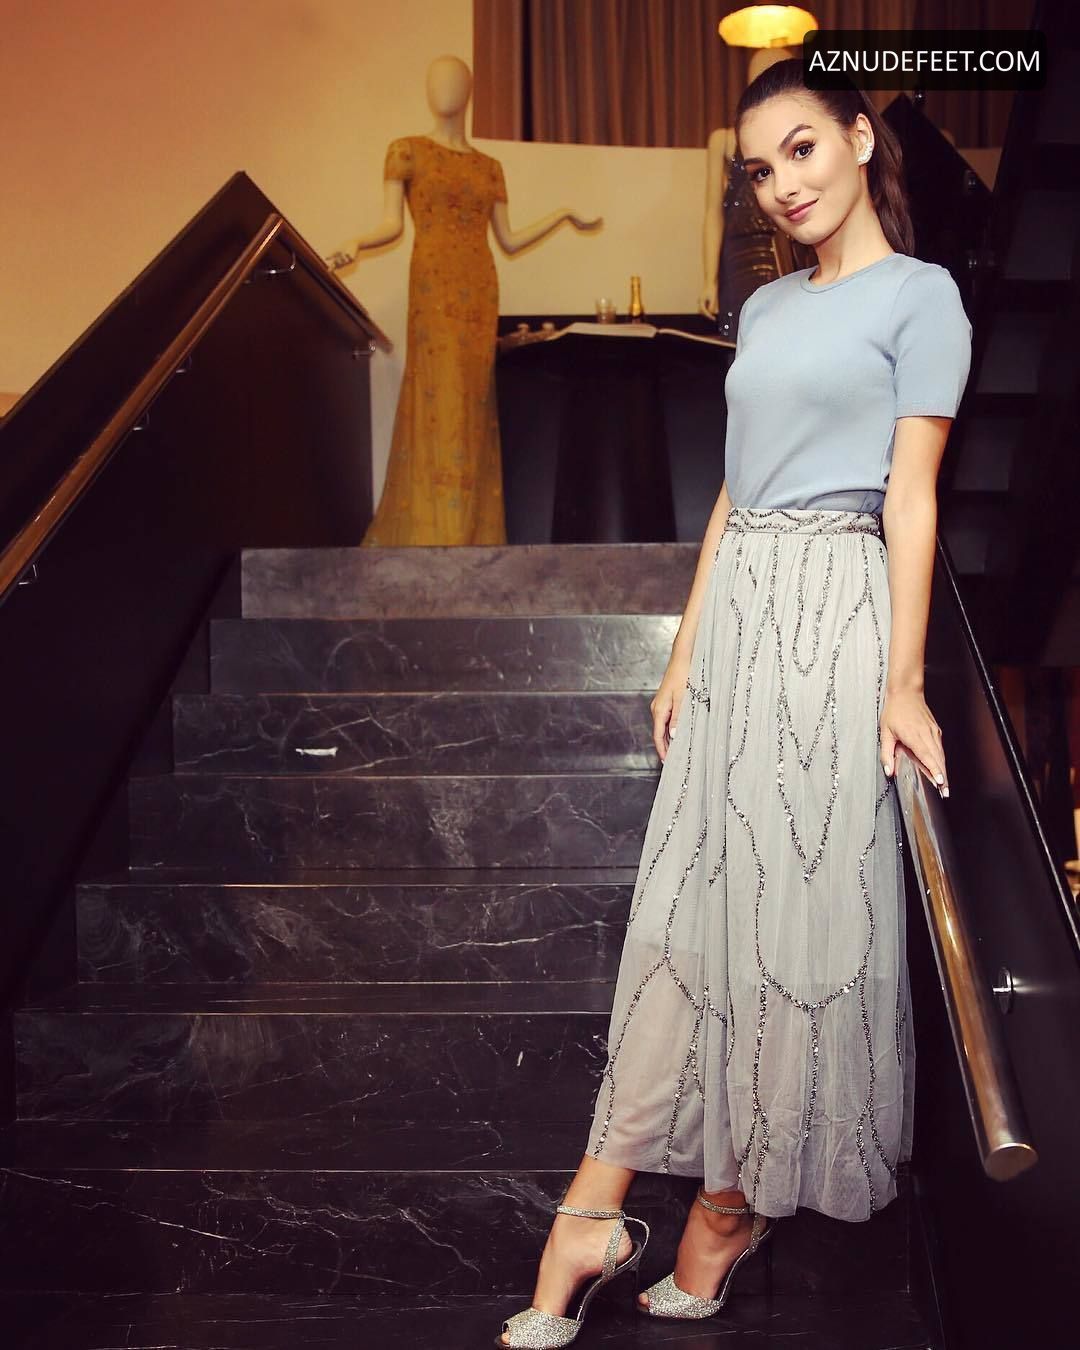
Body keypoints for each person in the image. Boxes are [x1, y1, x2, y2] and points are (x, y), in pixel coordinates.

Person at [497, 58, 972, 1348]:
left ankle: (714, 1212)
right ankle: (615, 1204)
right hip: (743, 611)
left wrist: (903, 681)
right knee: (691, 909)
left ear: (861, 139)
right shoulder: (761, 310)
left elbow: (912, 496)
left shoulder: (921, 298)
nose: (784, 186)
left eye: (803, 150)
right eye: (761, 170)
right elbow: (731, 492)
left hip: (833, 612)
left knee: (796, 916)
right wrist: (683, 654)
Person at [327, 56, 600, 547]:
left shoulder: (488, 167)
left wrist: (561, 215)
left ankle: (470, 531)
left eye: (454, 81)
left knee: (472, 405)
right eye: (436, 81)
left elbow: (509, 240)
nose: (444, 90)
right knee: (437, 395)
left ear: (469, 90)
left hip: (478, 289)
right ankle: (430, 529)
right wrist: (358, 243)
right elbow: (392, 225)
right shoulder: (406, 151)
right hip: (432, 286)